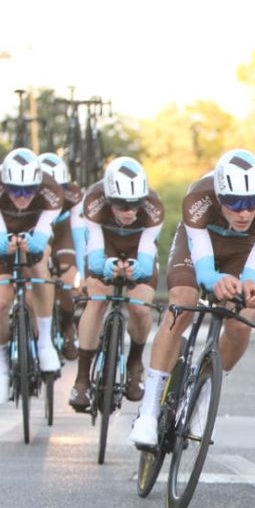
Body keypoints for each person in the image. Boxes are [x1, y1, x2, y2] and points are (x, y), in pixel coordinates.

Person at [128, 149, 255, 448]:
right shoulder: (199, 197)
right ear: (219, 194)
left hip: (241, 253)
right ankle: (148, 413)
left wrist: (250, 285)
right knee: (181, 304)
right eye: (235, 203)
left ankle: (202, 398)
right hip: (198, 248)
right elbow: (203, 265)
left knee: (242, 323)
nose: (244, 212)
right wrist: (214, 280)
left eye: (252, 202)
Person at [69, 157, 165, 412]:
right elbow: (95, 250)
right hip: (105, 245)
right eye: (122, 205)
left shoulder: (153, 206)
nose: (130, 211)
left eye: (135, 204)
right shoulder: (94, 200)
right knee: (97, 301)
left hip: (138, 249)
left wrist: (138, 270)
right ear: (109, 198)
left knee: (140, 307)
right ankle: (82, 379)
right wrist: (106, 267)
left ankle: (135, 363)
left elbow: (146, 253)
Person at [0, 148, 64, 403]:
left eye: (29, 190)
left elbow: (41, 237)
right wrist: (6, 245)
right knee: (1, 301)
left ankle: (45, 341)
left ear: (38, 186)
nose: (22, 196)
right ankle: (1, 365)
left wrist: (33, 244)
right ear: (4, 184)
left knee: (39, 266)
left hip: (33, 228)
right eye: (15, 190)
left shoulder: (52, 191)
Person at [38, 153, 83, 361]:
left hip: (62, 231)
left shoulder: (74, 196)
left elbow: (78, 235)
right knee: (36, 277)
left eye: (62, 188)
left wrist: (81, 272)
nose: (57, 193)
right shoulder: (27, 195)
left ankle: (67, 325)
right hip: (36, 229)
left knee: (68, 277)